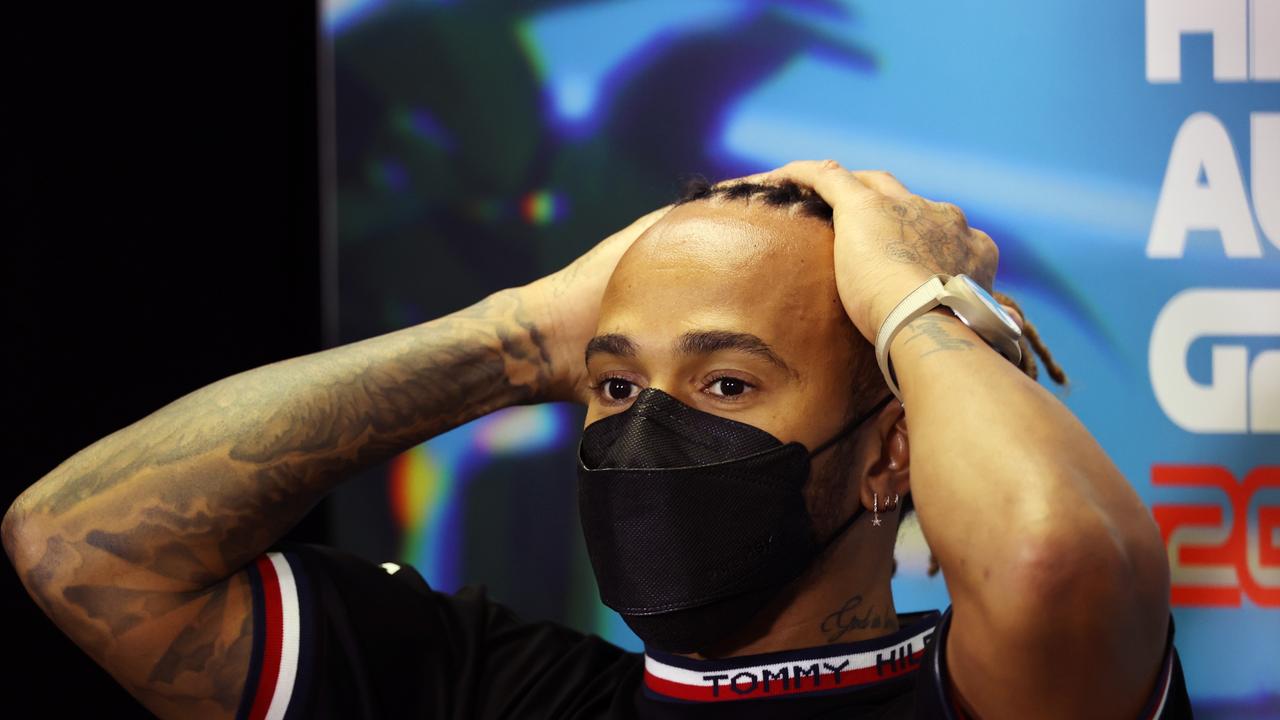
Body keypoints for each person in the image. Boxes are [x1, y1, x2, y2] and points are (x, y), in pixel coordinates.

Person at [3, 161, 1191, 719]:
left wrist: (904, 297)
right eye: (616, 387)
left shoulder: (989, 691)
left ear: (888, 454)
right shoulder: (483, 693)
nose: (647, 431)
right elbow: (84, 547)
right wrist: (518, 334)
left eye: (725, 381)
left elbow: (1052, 560)